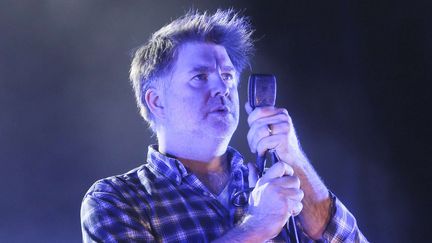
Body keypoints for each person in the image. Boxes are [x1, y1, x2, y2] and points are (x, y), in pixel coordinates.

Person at [80, 9, 368, 242]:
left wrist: (294, 157)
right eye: (200, 77)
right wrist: (256, 227)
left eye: (228, 76)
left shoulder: (276, 184)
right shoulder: (117, 199)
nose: (222, 87)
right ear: (156, 101)